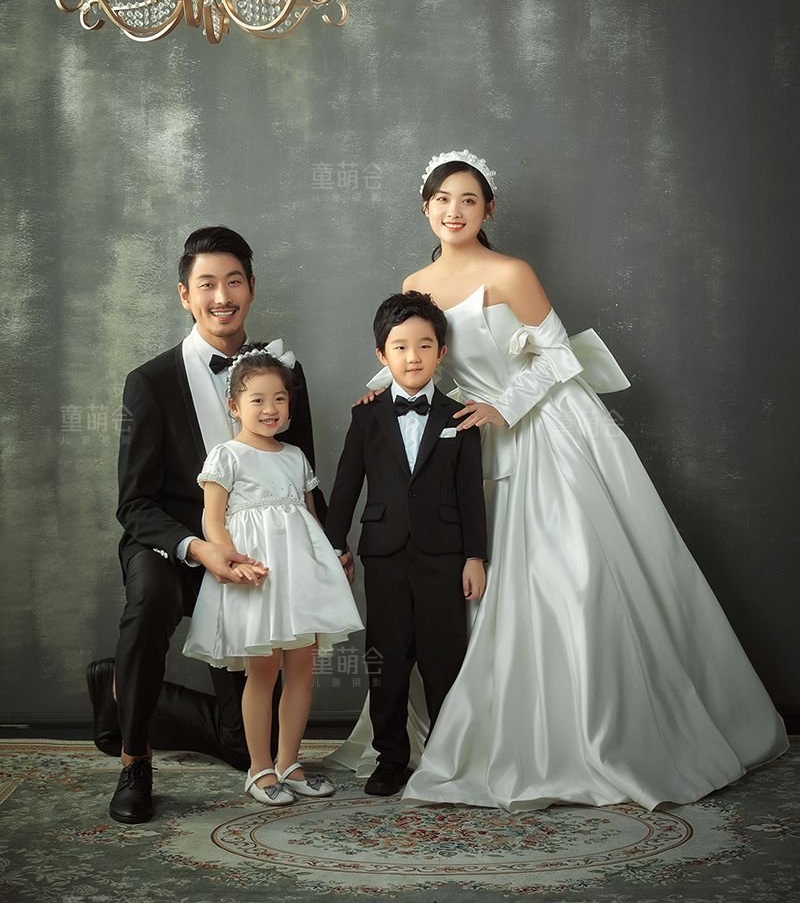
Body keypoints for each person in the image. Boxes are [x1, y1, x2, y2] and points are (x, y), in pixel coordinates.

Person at [332, 150, 788, 811]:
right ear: (426, 207)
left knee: (569, 578)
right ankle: (451, 731)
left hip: (532, 429)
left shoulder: (512, 272)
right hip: (460, 439)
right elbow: (417, 352)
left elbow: (559, 356)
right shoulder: (417, 280)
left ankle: (573, 735)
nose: (454, 211)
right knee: (449, 586)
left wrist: (504, 407)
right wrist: (378, 391)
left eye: (468, 199)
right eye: (442, 199)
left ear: (488, 209)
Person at [86, 226, 325, 824]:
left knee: (246, 746)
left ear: (251, 288)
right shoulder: (150, 382)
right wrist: (198, 548)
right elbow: (135, 504)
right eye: (207, 284)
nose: (222, 297)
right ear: (184, 295)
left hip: (259, 552)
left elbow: (301, 476)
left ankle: (118, 687)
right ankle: (134, 759)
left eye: (234, 282)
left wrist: (328, 549)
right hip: (173, 543)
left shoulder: (284, 371)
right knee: (148, 605)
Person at [183, 347, 362, 805]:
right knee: (263, 673)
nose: (270, 409)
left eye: (279, 399)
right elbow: (213, 519)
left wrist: (331, 561)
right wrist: (231, 560)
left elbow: (309, 519)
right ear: (234, 405)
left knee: (302, 669)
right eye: (258, 399)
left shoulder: (295, 456)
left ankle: (290, 762)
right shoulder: (227, 456)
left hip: (299, 578)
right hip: (257, 575)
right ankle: (259, 768)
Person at [325, 292, 487, 797]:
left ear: (442, 353)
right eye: (400, 347)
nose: (412, 357)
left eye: (424, 346)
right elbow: (346, 485)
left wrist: (475, 556)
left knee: (444, 658)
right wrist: (335, 545)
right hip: (384, 553)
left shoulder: (461, 417)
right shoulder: (366, 416)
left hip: (444, 555)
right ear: (382, 354)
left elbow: (470, 493)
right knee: (386, 659)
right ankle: (390, 757)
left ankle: (444, 756)